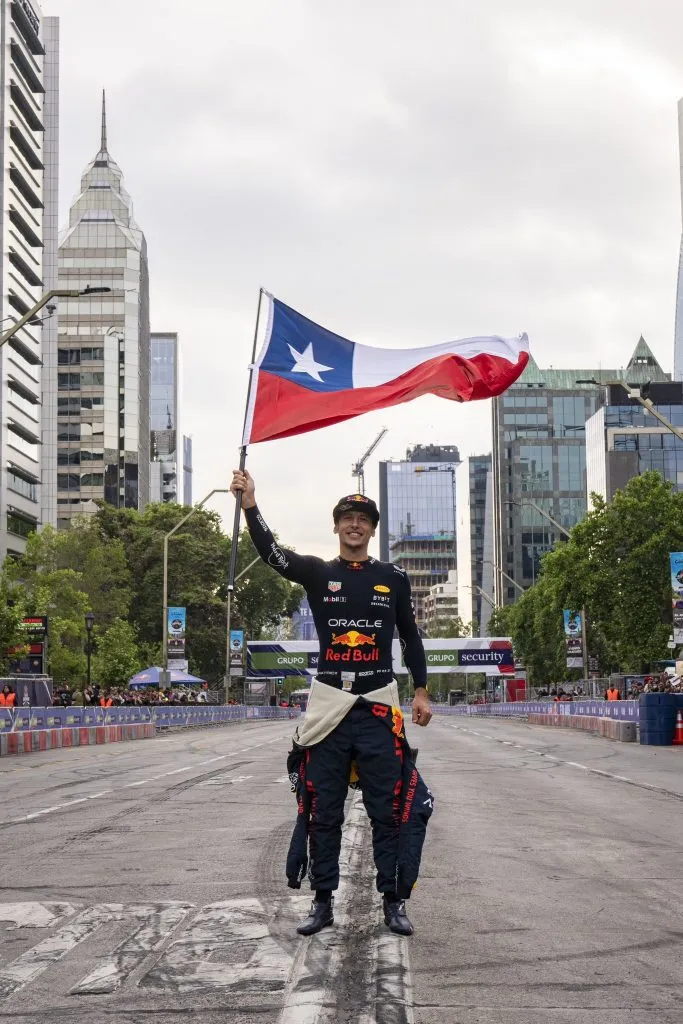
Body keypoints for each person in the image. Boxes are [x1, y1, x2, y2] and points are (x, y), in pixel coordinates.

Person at [231, 469, 433, 938]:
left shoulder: (393, 578)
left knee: (389, 811)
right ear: (336, 526)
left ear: (373, 529)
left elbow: (411, 636)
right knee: (322, 811)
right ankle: (322, 902)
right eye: (347, 518)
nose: (354, 525)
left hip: (378, 706)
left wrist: (421, 690)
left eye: (363, 519)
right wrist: (250, 506)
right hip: (328, 709)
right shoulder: (318, 573)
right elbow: (273, 554)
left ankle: (394, 902)